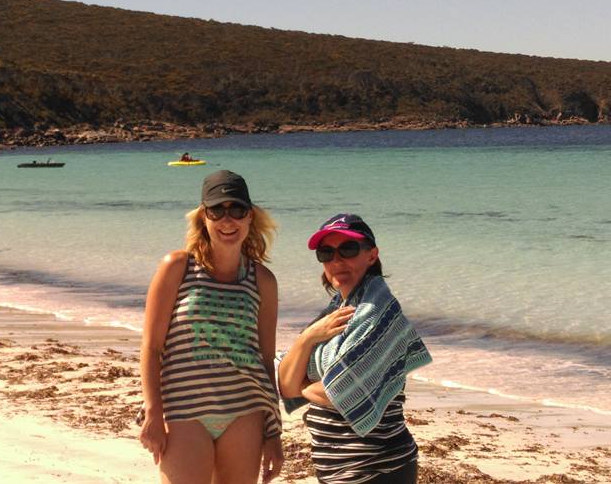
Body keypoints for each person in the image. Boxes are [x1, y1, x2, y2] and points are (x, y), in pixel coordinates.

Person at [139, 170, 284, 484]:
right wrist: (153, 412)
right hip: (183, 411)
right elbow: (151, 347)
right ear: (203, 217)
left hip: (245, 411)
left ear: (250, 216)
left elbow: (264, 360)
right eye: (217, 210)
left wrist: (273, 432)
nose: (227, 220)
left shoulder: (263, 280)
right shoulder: (177, 267)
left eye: (237, 210)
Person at [277, 214, 432, 484]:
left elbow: (339, 392)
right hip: (339, 469)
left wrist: (304, 383)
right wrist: (307, 338)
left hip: (377, 468)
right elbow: (286, 386)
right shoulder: (336, 312)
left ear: (372, 255)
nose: (336, 261)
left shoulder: (378, 313)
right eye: (326, 253)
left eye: (348, 249)